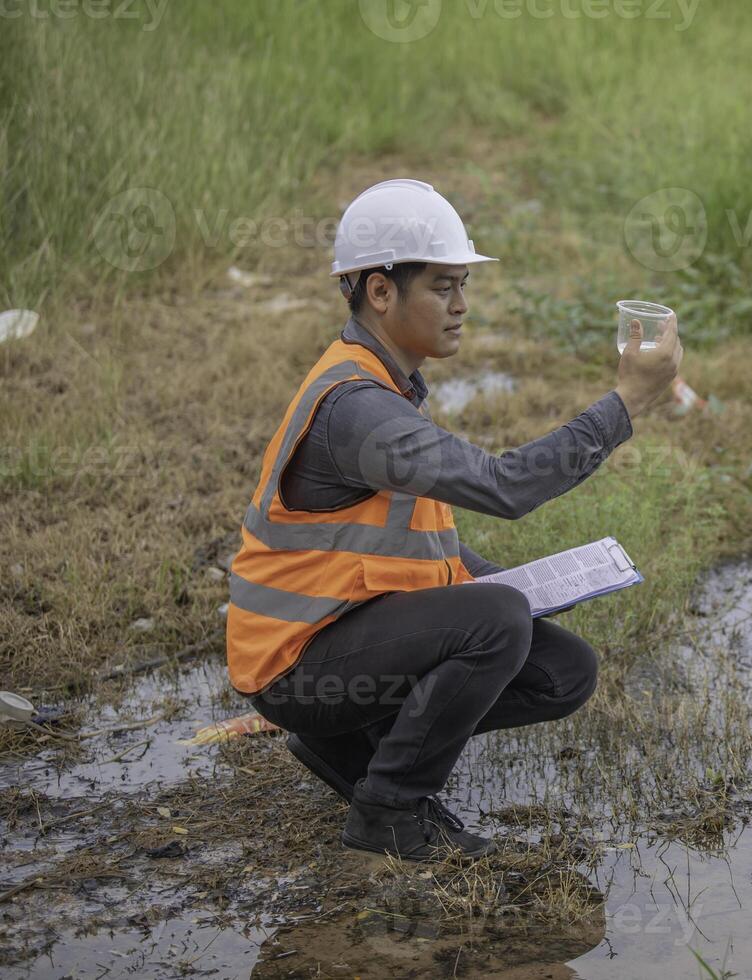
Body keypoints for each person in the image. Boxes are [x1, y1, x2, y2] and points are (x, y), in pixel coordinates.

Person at [225, 178, 682, 860]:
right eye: (444, 287)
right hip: (293, 667)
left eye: (463, 284)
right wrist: (627, 401)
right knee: (494, 619)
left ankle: (349, 747)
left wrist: (529, 587)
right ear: (381, 292)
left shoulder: (387, 385)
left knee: (562, 669)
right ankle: (386, 811)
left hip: (341, 637)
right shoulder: (358, 408)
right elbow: (506, 486)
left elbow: (407, 543)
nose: (462, 306)